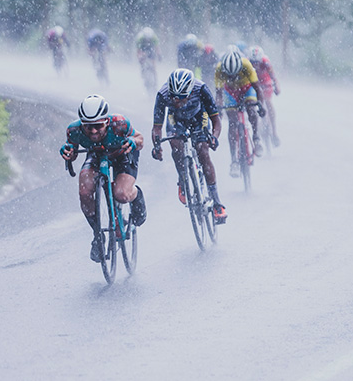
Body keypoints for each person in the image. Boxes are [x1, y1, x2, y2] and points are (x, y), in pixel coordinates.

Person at [60, 94, 147, 262]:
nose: (93, 131)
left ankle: (136, 195)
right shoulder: (74, 130)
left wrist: (133, 142)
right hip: (97, 155)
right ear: (82, 124)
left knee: (121, 194)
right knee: (85, 192)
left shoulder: (120, 123)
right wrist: (68, 153)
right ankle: (97, 234)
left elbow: (140, 139)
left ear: (107, 121)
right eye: (88, 127)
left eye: (98, 126)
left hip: (122, 154)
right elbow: (72, 151)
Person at [151, 68, 227, 223]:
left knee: (203, 151)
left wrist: (214, 137)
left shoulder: (201, 89)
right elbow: (157, 128)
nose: (177, 101)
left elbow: (216, 121)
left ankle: (217, 203)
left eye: (181, 98)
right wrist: (157, 147)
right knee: (175, 144)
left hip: (199, 117)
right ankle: (183, 178)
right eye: (174, 98)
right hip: (175, 119)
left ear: (190, 92)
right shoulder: (163, 94)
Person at [215, 49, 266, 177]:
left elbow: (257, 88)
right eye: (229, 75)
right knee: (232, 122)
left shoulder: (247, 65)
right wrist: (218, 110)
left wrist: (261, 105)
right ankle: (234, 161)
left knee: (251, 110)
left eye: (235, 74)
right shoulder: (219, 69)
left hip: (246, 89)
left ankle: (256, 138)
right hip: (230, 92)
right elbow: (219, 93)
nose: (232, 77)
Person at [249, 45, 281, 146]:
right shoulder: (247, 62)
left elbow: (273, 76)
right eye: (253, 63)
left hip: (265, 82)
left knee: (268, 101)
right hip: (254, 83)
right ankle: (257, 128)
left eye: (257, 62)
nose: (255, 65)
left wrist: (276, 86)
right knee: (253, 104)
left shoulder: (265, 61)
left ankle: (274, 131)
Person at [135, 27, 161, 92]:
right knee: (142, 58)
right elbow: (138, 50)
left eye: (149, 39)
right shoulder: (140, 38)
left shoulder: (154, 37)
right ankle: (143, 72)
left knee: (153, 64)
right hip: (143, 49)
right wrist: (140, 59)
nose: (148, 40)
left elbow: (157, 48)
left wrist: (159, 55)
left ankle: (155, 79)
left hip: (151, 49)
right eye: (147, 39)